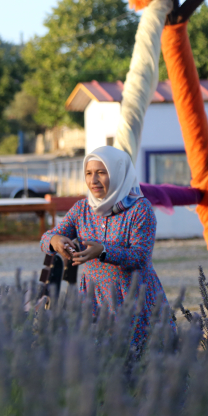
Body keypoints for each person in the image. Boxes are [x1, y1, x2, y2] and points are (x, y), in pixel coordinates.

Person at [41, 146, 169, 346]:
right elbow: (47, 237)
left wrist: (104, 251)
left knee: (140, 361)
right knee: (96, 365)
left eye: (102, 173)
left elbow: (140, 256)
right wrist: (55, 241)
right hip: (92, 299)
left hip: (133, 297)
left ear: (118, 173)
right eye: (89, 173)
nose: (93, 181)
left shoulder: (139, 209)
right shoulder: (82, 209)